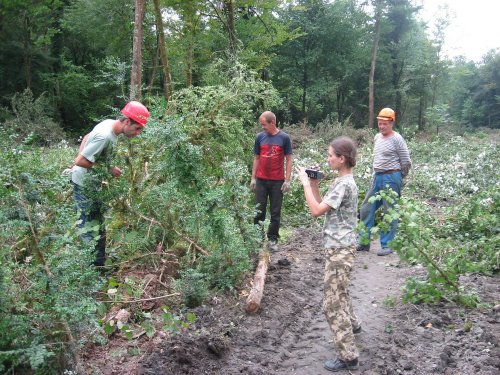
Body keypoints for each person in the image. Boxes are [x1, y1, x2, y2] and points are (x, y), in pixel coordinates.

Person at [296, 137, 361, 372]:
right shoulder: (343, 181)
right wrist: (314, 184)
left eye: (331, 155)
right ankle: (353, 325)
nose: (328, 158)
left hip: (339, 250)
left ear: (341, 159)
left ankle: (348, 356)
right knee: (340, 291)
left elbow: (315, 210)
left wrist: (304, 183)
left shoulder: (343, 184)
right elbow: (323, 203)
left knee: (332, 304)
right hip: (341, 247)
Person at [71, 101, 150, 267]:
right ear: (127, 121)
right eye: (137, 129)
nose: (138, 133)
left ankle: (98, 266)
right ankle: (90, 272)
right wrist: (108, 169)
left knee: (98, 226)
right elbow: (80, 161)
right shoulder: (105, 135)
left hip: (91, 184)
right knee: (89, 228)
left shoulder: (109, 124)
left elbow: (86, 138)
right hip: (85, 187)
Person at [357, 107, 412, 256]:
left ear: (392, 123)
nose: (382, 126)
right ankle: (363, 241)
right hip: (378, 177)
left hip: (392, 177)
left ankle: (387, 245)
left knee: (390, 211)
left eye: (385, 124)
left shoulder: (397, 139)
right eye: (380, 123)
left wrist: (400, 177)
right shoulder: (377, 137)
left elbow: (406, 160)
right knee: (366, 208)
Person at [250, 111, 293, 253]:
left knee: (275, 212)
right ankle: (257, 238)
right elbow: (256, 158)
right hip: (261, 180)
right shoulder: (260, 137)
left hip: (277, 181)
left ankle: (273, 239)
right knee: (258, 210)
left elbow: (289, 159)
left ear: (272, 122)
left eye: (264, 125)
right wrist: (253, 178)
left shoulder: (284, 138)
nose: (262, 127)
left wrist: (287, 180)